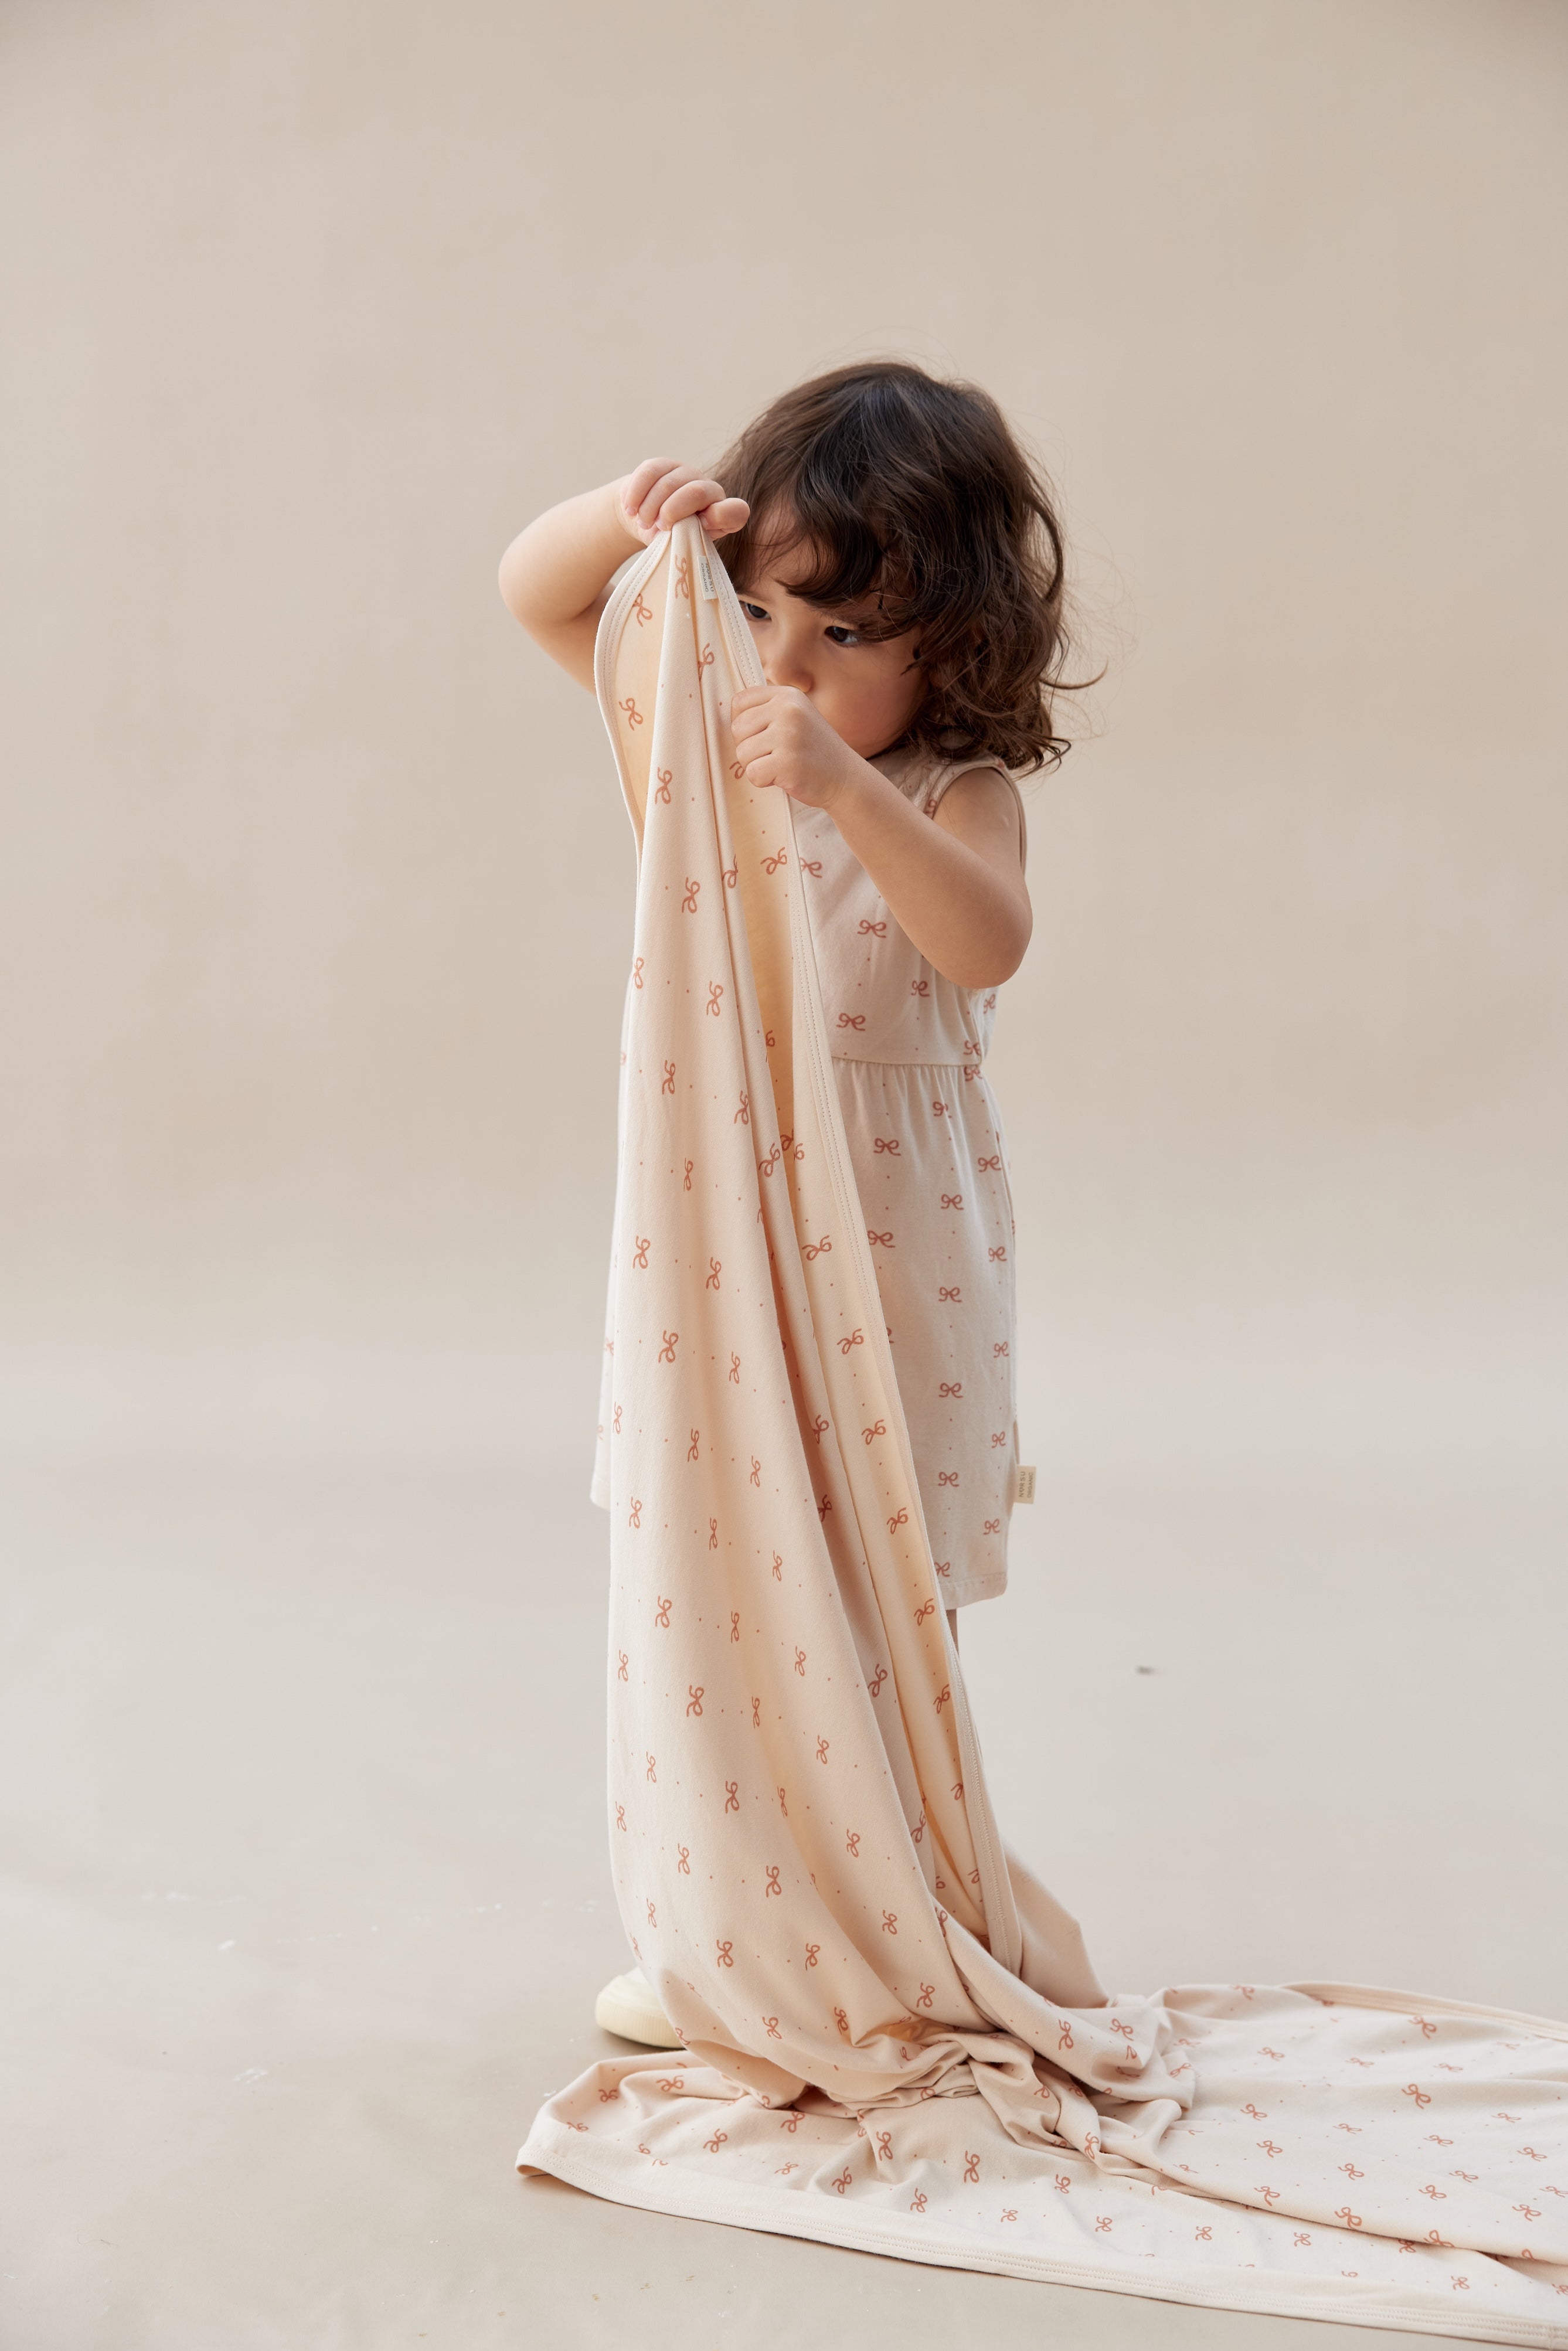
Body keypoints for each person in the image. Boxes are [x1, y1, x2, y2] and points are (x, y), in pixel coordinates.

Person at [498, 360, 1084, 2046]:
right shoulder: (696, 737)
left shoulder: (949, 792)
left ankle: (888, 1903)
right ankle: (724, 1926)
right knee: (705, 1578)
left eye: (843, 637)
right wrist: (627, 518)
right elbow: (534, 594)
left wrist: (838, 790)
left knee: (867, 1594)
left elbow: (984, 942)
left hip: (890, 1259)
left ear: (953, 648)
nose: (782, 671)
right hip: (719, 1236)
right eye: (762, 613)